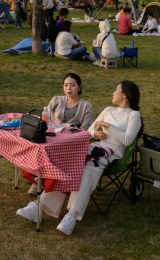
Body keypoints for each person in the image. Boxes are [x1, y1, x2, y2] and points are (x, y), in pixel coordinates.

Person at [16, 80, 142, 235]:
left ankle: (72, 215)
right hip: (95, 146)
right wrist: (96, 133)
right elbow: (89, 130)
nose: (113, 93)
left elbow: (128, 140)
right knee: (69, 165)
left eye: (116, 90)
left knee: (89, 168)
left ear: (124, 95)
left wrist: (109, 127)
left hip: (110, 153)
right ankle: (38, 207)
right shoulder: (108, 109)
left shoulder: (134, 115)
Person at [26, 73, 96, 195]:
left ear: (79, 87)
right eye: (66, 85)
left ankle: (41, 179)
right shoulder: (56, 100)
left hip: (71, 141)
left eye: (73, 85)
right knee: (37, 146)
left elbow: (86, 129)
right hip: (52, 135)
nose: (69, 88)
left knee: (50, 151)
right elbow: (46, 118)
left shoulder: (86, 106)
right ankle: (39, 175)